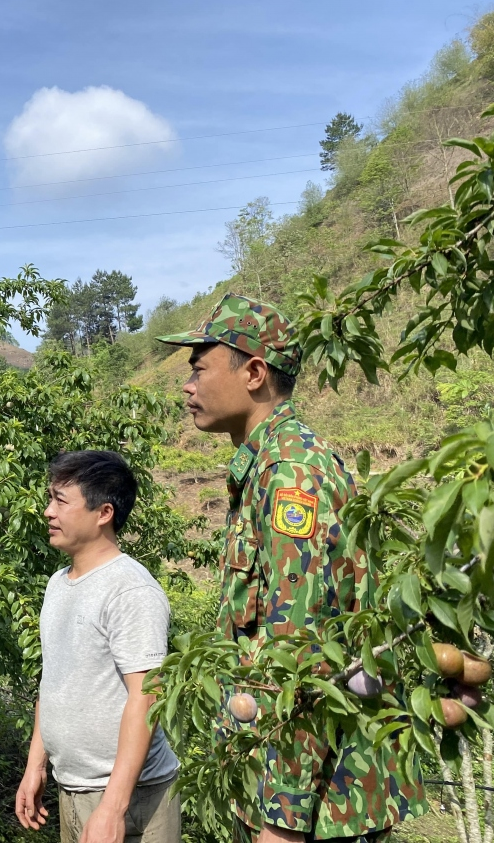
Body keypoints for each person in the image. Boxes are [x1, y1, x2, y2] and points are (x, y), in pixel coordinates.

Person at [156, 292, 426, 843]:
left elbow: (299, 649)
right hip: (300, 791)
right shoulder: (267, 466)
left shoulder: (291, 475)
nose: (187, 385)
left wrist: (280, 822)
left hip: (320, 806)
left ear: (254, 373)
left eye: (200, 369)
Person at [16, 450, 181, 843]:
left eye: (60, 500)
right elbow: (54, 683)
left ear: (103, 513)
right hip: (73, 791)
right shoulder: (58, 583)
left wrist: (112, 808)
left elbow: (147, 697)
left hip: (133, 801)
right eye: (49, 498)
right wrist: (35, 764)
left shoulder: (130, 589)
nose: (47, 512)